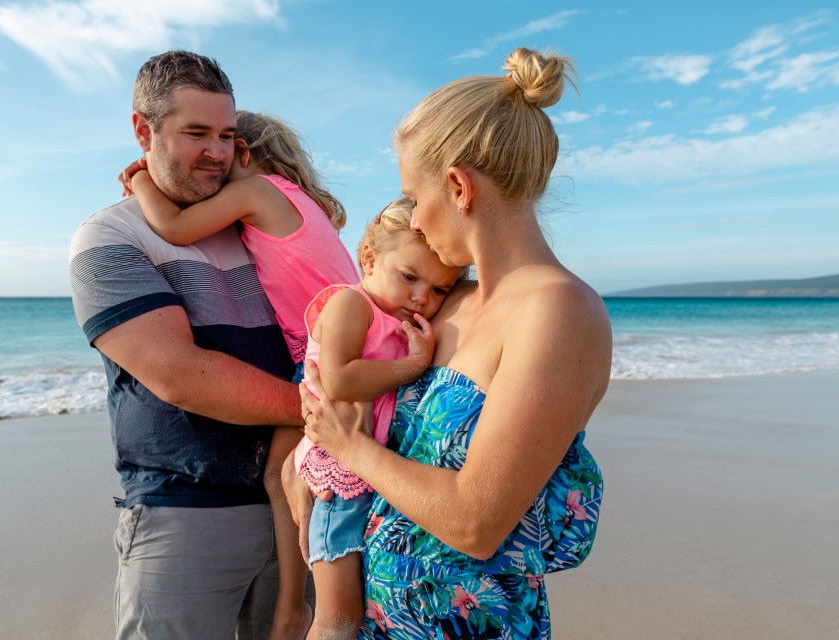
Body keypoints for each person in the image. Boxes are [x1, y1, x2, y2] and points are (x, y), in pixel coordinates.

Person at [285, 47, 611, 638]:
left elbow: (474, 521)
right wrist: (309, 461)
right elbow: (373, 412)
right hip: (376, 620)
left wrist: (349, 450)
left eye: (416, 193)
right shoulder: (451, 302)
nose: (414, 222)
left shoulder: (560, 314)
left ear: (459, 187)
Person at [69, 50, 310, 640]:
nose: (217, 151)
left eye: (227, 135)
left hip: (305, 503)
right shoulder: (110, 237)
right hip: (185, 514)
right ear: (143, 130)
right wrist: (329, 411)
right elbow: (182, 374)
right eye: (196, 133)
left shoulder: (257, 224)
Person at [116, 109, 360, 639]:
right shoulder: (297, 203)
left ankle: (298, 608)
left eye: (223, 151)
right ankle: (311, 603)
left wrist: (139, 179)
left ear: (244, 155)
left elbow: (175, 228)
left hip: (322, 357)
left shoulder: (258, 193)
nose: (213, 167)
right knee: (311, 477)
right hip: (344, 346)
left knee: (287, 476)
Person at [293, 197, 468, 638]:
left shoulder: (394, 317)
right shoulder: (352, 305)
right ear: (368, 258)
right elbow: (337, 380)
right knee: (338, 617)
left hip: (359, 460)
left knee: (355, 608)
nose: (421, 297)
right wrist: (412, 365)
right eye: (409, 277)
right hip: (337, 473)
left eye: (440, 289)